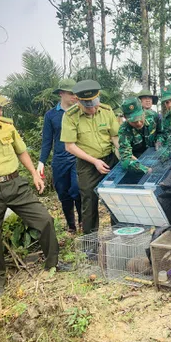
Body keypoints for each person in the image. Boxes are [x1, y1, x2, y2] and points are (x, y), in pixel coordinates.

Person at [0, 87, 64, 301]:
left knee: (44, 219)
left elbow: (21, 151)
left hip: (15, 183)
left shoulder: (7, 127)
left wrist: (34, 174)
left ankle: (53, 263)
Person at [60, 80, 120, 234]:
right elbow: (70, 146)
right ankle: (91, 244)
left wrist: (126, 156)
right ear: (79, 101)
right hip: (87, 163)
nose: (93, 108)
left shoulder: (107, 111)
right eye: (88, 106)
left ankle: (119, 236)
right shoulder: (70, 116)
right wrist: (94, 161)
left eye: (95, 104)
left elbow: (115, 137)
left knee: (116, 199)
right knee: (89, 202)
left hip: (110, 159)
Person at [38, 79, 81, 233]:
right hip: (60, 160)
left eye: (76, 93)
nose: (74, 96)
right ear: (61, 93)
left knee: (77, 189)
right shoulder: (51, 115)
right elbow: (47, 141)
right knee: (63, 193)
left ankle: (83, 223)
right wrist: (41, 162)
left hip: (78, 158)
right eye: (71, 93)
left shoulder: (80, 111)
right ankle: (71, 226)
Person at [118, 97, 159, 173]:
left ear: (143, 111)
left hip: (156, 154)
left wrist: (160, 141)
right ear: (125, 118)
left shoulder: (154, 117)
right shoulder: (124, 130)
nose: (139, 123)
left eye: (140, 118)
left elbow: (163, 133)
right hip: (138, 159)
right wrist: (144, 169)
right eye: (134, 121)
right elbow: (125, 158)